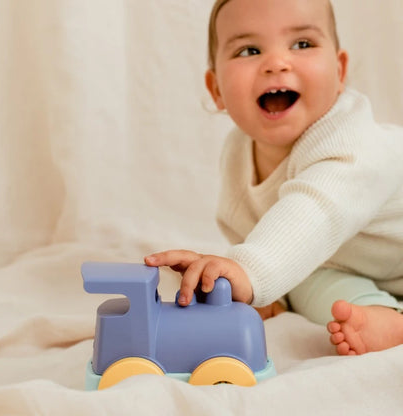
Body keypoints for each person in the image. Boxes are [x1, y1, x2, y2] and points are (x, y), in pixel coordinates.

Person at [145, 0, 403, 356]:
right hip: (366, 267)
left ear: (340, 71)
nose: (276, 63)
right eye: (249, 50)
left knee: (292, 256)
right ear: (216, 88)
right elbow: (252, 226)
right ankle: (384, 314)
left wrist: (247, 272)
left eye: (302, 44)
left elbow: (313, 214)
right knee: (305, 279)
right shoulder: (238, 152)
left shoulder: (353, 141)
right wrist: (263, 289)